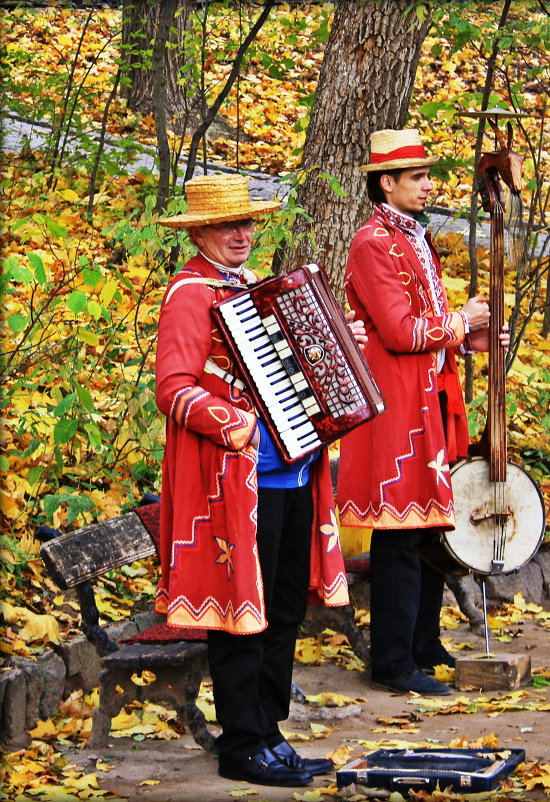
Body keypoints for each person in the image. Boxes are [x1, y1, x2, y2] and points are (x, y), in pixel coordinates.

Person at [155, 173, 364, 787]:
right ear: (200, 231)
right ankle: (243, 744)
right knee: (242, 614)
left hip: (296, 470)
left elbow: (293, 364)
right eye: (229, 225)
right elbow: (173, 388)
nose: (243, 234)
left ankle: (270, 733)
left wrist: (338, 343)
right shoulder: (190, 294)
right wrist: (235, 425)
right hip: (236, 480)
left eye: (248, 223)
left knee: (283, 609)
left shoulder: (251, 287)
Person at [337, 129, 510, 696]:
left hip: (430, 395)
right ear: (387, 183)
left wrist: (471, 339)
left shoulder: (413, 237)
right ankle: (390, 662)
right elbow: (398, 331)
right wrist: (460, 321)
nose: (429, 185)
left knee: (432, 530)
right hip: (395, 403)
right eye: (418, 177)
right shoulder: (371, 243)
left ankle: (422, 644)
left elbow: (428, 333)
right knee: (397, 533)